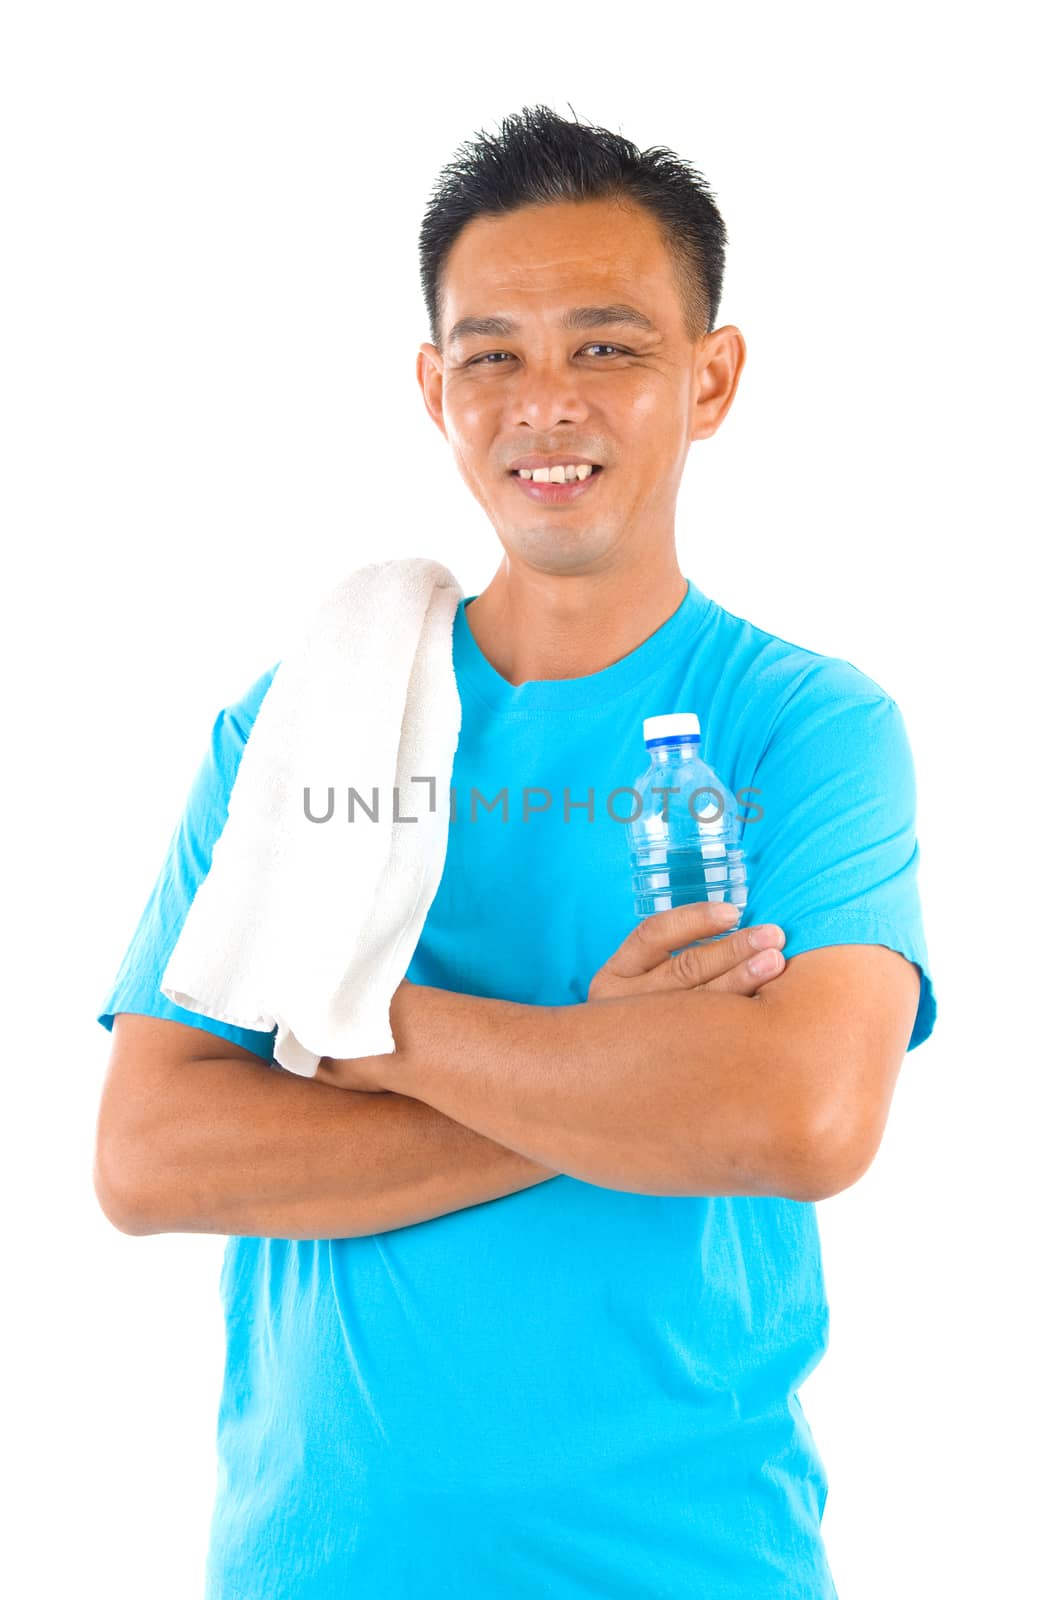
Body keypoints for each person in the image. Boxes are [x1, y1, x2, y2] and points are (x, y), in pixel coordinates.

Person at [94, 104, 936, 1599]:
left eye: (606, 347)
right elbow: (150, 1157)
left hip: (688, 1561)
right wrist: (628, 1078)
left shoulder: (801, 727)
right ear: (436, 388)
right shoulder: (299, 728)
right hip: (319, 1565)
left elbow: (806, 1119)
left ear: (711, 378)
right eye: (494, 354)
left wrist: (362, 1028)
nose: (545, 402)